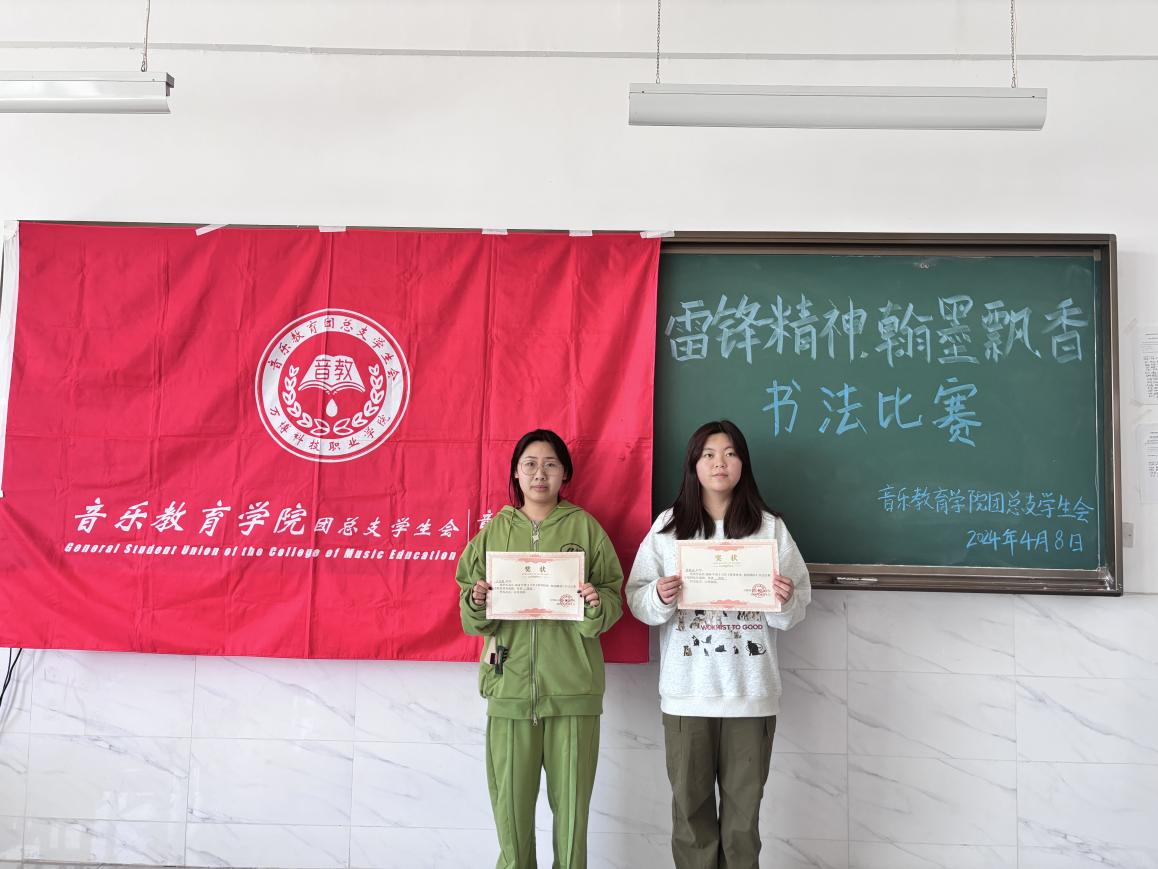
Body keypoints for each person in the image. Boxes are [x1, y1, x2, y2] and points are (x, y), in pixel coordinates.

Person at [626, 420, 810, 869]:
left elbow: (797, 606)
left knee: (742, 826)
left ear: (743, 463)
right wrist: (659, 596)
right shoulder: (669, 527)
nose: (719, 463)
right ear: (693, 464)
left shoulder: (769, 528)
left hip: (750, 694)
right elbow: (637, 599)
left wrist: (783, 598)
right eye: (708, 454)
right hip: (687, 693)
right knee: (691, 820)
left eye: (729, 453)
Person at [456, 428, 624, 869]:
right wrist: (477, 600)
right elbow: (470, 609)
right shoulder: (494, 532)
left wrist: (595, 603)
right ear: (515, 472)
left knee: (572, 819)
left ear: (565, 473)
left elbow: (612, 596)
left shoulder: (585, 528)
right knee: (510, 818)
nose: (539, 473)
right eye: (529, 464)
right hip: (509, 689)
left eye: (550, 464)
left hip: (574, 690)